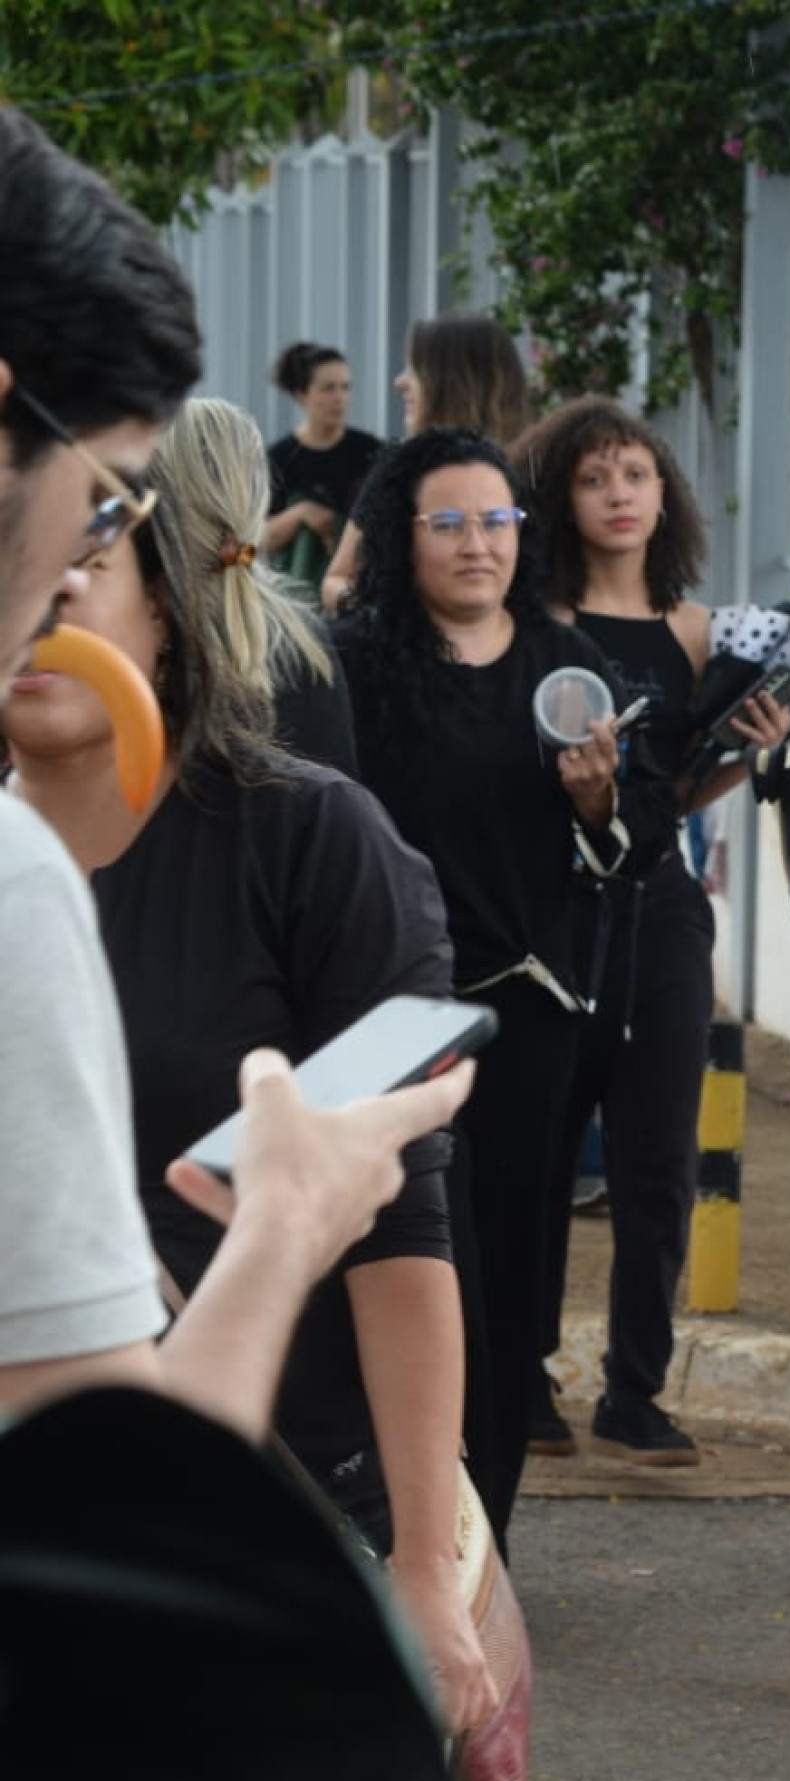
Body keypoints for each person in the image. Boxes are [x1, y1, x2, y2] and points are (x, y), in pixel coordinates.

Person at [3, 396, 495, 1734]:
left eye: (82, 559)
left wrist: (422, 1562)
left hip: (297, 1495)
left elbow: (402, 1227)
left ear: (167, 600)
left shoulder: (312, 842)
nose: (39, 597)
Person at [0, 105, 475, 1441]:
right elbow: (101, 1510)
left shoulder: (305, 830)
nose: (76, 565)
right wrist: (286, 1226)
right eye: (105, 496)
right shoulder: (20, 882)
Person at [335, 427, 637, 1544]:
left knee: (507, 1281)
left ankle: (483, 1546)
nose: (479, 545)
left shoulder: (566, 666)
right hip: (384, 1019)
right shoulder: (352, 666)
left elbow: (627, 850)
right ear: (400, 536)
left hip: (526, 1020)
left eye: (498, 520)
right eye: (450, 523)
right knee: (403, 1273)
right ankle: (391, 1532)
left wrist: (598, 800)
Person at [512, 398, 790, 1466]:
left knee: (659, 1158)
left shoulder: (694, 629)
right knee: (541, 1152)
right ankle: (524, 1377)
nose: (620, 495)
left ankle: (635, 1388)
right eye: (594, 479)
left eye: (635, 474)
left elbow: (676, 788)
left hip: (660, 904)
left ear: (665, 492)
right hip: (553, 905)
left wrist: (750, 749)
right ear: (560, 499)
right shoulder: (534, 625)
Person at [319, 314, 532, 614]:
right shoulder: (399, 470)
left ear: (453, 381)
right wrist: (378, 616)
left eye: (415, 369)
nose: (399, 382)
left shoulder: (536, 469)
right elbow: (336, 580)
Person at [262, 342, 382, 595]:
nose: (339, 398)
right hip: (296, 590)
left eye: (345, 387)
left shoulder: (371, 452)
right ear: (301, 394)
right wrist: (301, 514)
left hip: (359, 587)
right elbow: (256, 539)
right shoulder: (279, 459)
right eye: (328, 388)